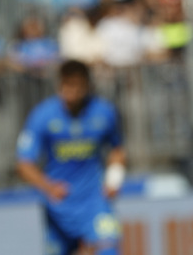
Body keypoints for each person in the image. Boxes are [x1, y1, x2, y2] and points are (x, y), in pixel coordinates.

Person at [17, 59, 125, 255]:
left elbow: (117, 149)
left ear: (88, 86)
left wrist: (114, 180)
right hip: (60, 205)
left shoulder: (104, 112)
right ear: (60, 85)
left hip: (95, 201)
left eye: (78, 87)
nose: (72, 93)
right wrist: (48, 187)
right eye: (67, 86)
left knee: (109, 250)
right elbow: (24, 163)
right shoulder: (42, 115)